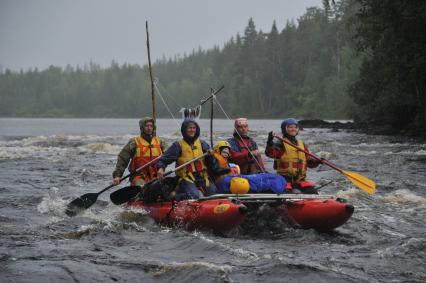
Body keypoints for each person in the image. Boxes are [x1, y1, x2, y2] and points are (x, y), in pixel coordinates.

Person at [156, 119, 217, 200]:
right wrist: (161, 168)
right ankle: (174, 196)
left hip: (203, 177)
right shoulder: (178, 145)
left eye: (194, 128)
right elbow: (164, 159)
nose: (192, 130)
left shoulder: (203, 144)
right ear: (184, 130)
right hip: (186, 178)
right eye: (189, 128)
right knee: (193, 196)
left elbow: (211, 163)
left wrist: (211, 156)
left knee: (214, 193)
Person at [265, 118, 321, 194]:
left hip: (299, 180)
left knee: (313, 192)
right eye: (290, 127)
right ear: (285, 129)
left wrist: (318, 161)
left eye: (295, 127)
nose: (293, 129)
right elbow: (270, 153)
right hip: (284, 179)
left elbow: (309, 162)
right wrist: (270, 142)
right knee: (287, 193)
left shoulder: (302, 144)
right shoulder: (281, 143)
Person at [112, 117, 166, 186]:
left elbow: (169, 156)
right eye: (146, 126)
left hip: (156, 176)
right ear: (142, 127)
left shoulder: (160, 142)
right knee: (141, 186)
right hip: (138, 177)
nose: (149, 128)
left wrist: (162, 168)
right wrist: (117, 176)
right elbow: (123, 159)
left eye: (151, 126)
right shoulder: (134, 142)